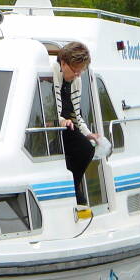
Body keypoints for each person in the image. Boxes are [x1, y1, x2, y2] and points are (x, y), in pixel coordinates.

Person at [53, 42, 101, 205]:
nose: (77, 74)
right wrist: (61, 120)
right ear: (63, 63)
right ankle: (74, 188)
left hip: (69, 124)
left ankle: (74, 187)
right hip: (57, 125)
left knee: (88, 146)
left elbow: (77, 113)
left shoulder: (76, 80)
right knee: (84, 149)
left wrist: (87, 133)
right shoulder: (53, 73)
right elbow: (53, 108)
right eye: (75, 70)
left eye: (80, 71)